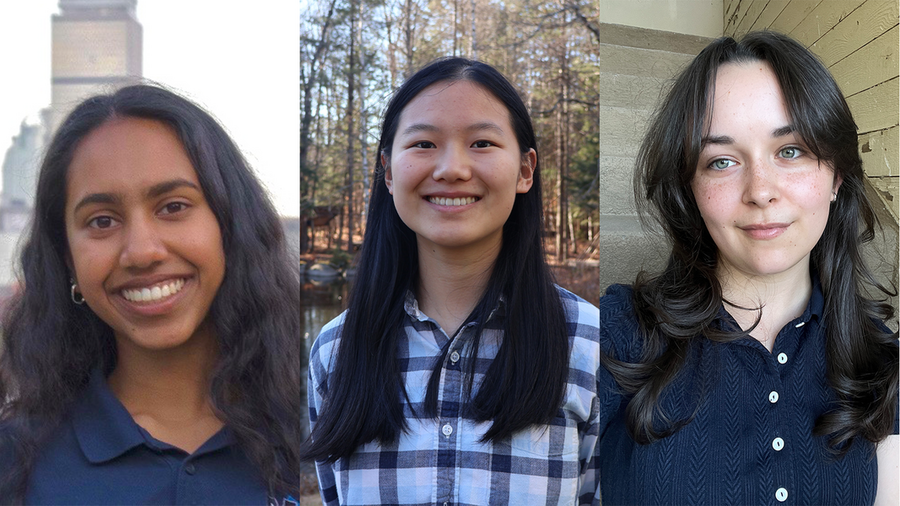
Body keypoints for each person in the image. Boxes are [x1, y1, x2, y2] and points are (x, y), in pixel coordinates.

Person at [597, 31, 899, 505]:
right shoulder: (619, 332)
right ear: (691, 189)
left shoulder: (881, 359)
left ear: (838, 175)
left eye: (791, 150)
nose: (760, 190)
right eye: (721, 161)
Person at [302, 58, 601, 505]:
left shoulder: (590, 342)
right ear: (387, 171)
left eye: (481, 142)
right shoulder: (336, 349)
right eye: (423, 143)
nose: (452, 168)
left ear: (525, 170)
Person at [0, 85, 302, 504]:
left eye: (173, 207)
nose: (142, 251)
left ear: (231, 225)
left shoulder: (315, 426)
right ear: (67, 258)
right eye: (102, 220)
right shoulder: (14, 462)